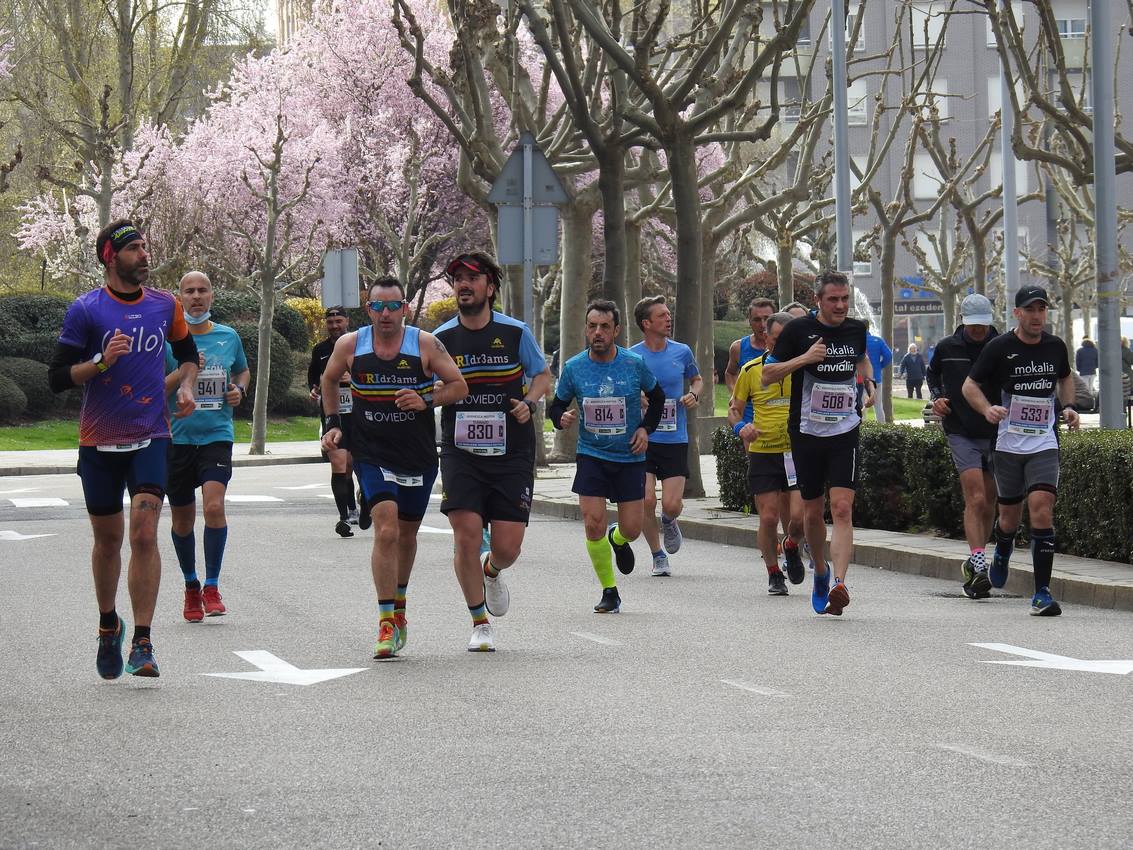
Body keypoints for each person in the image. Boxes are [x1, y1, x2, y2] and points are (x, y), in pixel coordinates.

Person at [47, 219, 198, 679]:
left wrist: (187, 385)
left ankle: (144, 642)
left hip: (152, 435)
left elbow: (189, 355)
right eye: (135, 248)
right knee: (109, 541)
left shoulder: (164, 305)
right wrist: (100, 362)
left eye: (146, 246)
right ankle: (108, 624)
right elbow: (56, 379)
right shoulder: (86, 310)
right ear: (111, 257)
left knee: (145, 535)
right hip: (99, 440)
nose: (145, 255)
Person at [320, 277, 468, 657]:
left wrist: (426, 399)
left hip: (416, 453)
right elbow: (329, 379)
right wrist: (334, 422)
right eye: (377, 306)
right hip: (371, 451)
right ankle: (386, 621)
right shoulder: (351, 344)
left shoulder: (424, 343)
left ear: (405, 308)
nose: (385, 314)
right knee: (385, 529)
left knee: (406, 534)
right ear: (368, 309)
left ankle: (399, 604)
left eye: (393, 306)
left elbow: (458, 386)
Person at [434, 252, 551, 643]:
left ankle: (493, 570)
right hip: (461, 449)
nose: (463, 285)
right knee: (466, 533)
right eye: (457, 279)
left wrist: (529, 403)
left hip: (512, 451)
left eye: (472, 277)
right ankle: (478, 623)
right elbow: (430, 384)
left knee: (508, 547)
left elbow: (542, 374)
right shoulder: (441, 338)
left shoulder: (516, 332)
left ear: (490, 286)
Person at [761, 270, 874, 616]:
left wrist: (869, 381)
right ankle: (821, 572)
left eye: (845, 299)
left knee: (841, 508)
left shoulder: (857, 329)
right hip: (807, 432)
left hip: (845, 430)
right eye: (833, 300)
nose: (840, 306)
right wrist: (805, 359)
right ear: (818, 301)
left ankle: (840, 582)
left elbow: (861, 359)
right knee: (811, 511)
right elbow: (768, 374)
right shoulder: (797, 331)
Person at [963, 285, 1079, 616]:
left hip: (1044, 441)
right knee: (1009, 516)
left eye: (1041, 310)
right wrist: (987, 409)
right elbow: (969, 386)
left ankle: (1041, 592)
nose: (1037, 316)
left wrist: (1069, 405)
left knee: (1041, 508)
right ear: (1017, 314)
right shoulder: (999, 348)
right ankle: (1002, 548)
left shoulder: (1055, 346)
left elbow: (1066, 377)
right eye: (1030, 310)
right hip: (1009, 444)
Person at [548, 299, 666, 613]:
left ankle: (618, 539)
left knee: (632, 529)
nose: (597, 332)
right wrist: (561, 418)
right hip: (592, 455)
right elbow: (555, 406)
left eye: (604, 327)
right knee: (592, 523)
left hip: (629, 457)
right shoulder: (574, 368)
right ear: (586, 329)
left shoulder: (633, 364)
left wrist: (645, 429)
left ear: (616, 330)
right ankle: (609, 590)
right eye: (592, 326)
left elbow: (657, 398)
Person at [164, 272, 250, 622]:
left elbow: (242, 372)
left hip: (216, 433)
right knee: (183, 519)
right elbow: (153, 387)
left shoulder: (228, 336)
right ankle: (190, 585)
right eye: (190, 291)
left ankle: (212, 586)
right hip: (175, 438)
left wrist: (239, 391)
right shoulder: (168, 341)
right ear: (180, 297)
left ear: (212, 295)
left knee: (214, 507)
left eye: (203, 290)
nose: (197, 296)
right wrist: (186, 371)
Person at [926, 293, 999, 600]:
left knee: (992, 500)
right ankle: (980, 563)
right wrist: (938, 397)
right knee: (976, 498)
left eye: (983, 325)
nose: (978, 331)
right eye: (973, 325)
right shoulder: (947, 347)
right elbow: (933, 375)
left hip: (997, 431)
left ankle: (975, 558)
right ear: (962, 321)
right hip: (961, 430)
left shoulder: (1002, 346)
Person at [729, 311, 806, 595]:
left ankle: (791, 544)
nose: (782, 345)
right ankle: (774, 573)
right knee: (769, 517)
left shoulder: (803, 368)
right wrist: (741, 427)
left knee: (799, 519)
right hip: (763, 452)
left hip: (796, 452)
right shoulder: (751, 370)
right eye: (776, 339)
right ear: (766, 338)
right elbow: (734, 410)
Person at [629, 296, 703, 577]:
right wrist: (637, 396)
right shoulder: (633, 356)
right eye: (662, 316)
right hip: (644, 437)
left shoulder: (682, 351)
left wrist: (694, 394)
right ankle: (657, 555)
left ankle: (669, 521)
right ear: (646, 323)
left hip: (674, 437)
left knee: (671, 504)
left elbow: (698, 379)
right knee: (646, 499)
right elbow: (623, 387)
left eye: (669, 314)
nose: (668, 319)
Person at [308, 307, 358, 537]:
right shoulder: (319, 350)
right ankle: (344, 518)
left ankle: (359, 504)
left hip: (358, 416)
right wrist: (315, 389)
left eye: (339, 321)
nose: (335, 325)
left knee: (351, 465)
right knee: (338, 463)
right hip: (333, 415)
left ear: (347, 321)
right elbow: (314, 380)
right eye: (330, 322)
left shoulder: (360, 345)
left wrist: (353, 378)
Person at [725, 298, 775, 424]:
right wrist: (734, 394)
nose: (762, 324)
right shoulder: (738, 348)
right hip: (748, 419)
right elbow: (730, 373)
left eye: (767, 319)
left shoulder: (785, 348)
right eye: (757, 319)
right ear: (750, 321)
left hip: (776, 417)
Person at [863, 319, 893, 423]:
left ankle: (861, 430)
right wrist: (880, 365)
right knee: (878, 405)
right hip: (876, 377)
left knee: (861, 405)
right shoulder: (878, 340)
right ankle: (882, 429)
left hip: (860, 377)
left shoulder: (856, 341)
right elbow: (889, 355)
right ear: (868, 327)